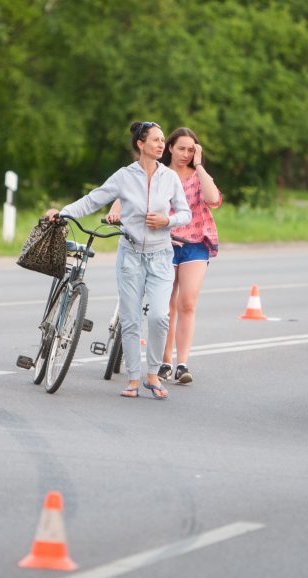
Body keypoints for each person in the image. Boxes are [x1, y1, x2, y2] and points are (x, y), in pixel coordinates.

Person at [44, 121, 191, 399]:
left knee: (160, 316)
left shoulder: (170, 178)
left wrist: (167, 220)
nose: (162, 144)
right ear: (141, 144)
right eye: (156, 140)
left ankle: (153, 374)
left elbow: (185, 214)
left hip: (161, 256)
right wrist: (63, 213)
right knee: (131, 319)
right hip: (131, 256)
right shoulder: (124, 176)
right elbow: (92, 199)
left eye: (163, 140)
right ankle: (134, 379)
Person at [109, 127, 222, 385]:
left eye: (191, 150)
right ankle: (164, 363)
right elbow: (128, 191)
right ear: (169, 147)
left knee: (188, 303)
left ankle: (182, 363)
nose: (185, 154)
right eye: (181, 148)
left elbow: (213, 199)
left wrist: (200, 166)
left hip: (195, 244)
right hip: (162, 243)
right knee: (165, 307)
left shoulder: (197, 176)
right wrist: (115, 211)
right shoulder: (158, 174)